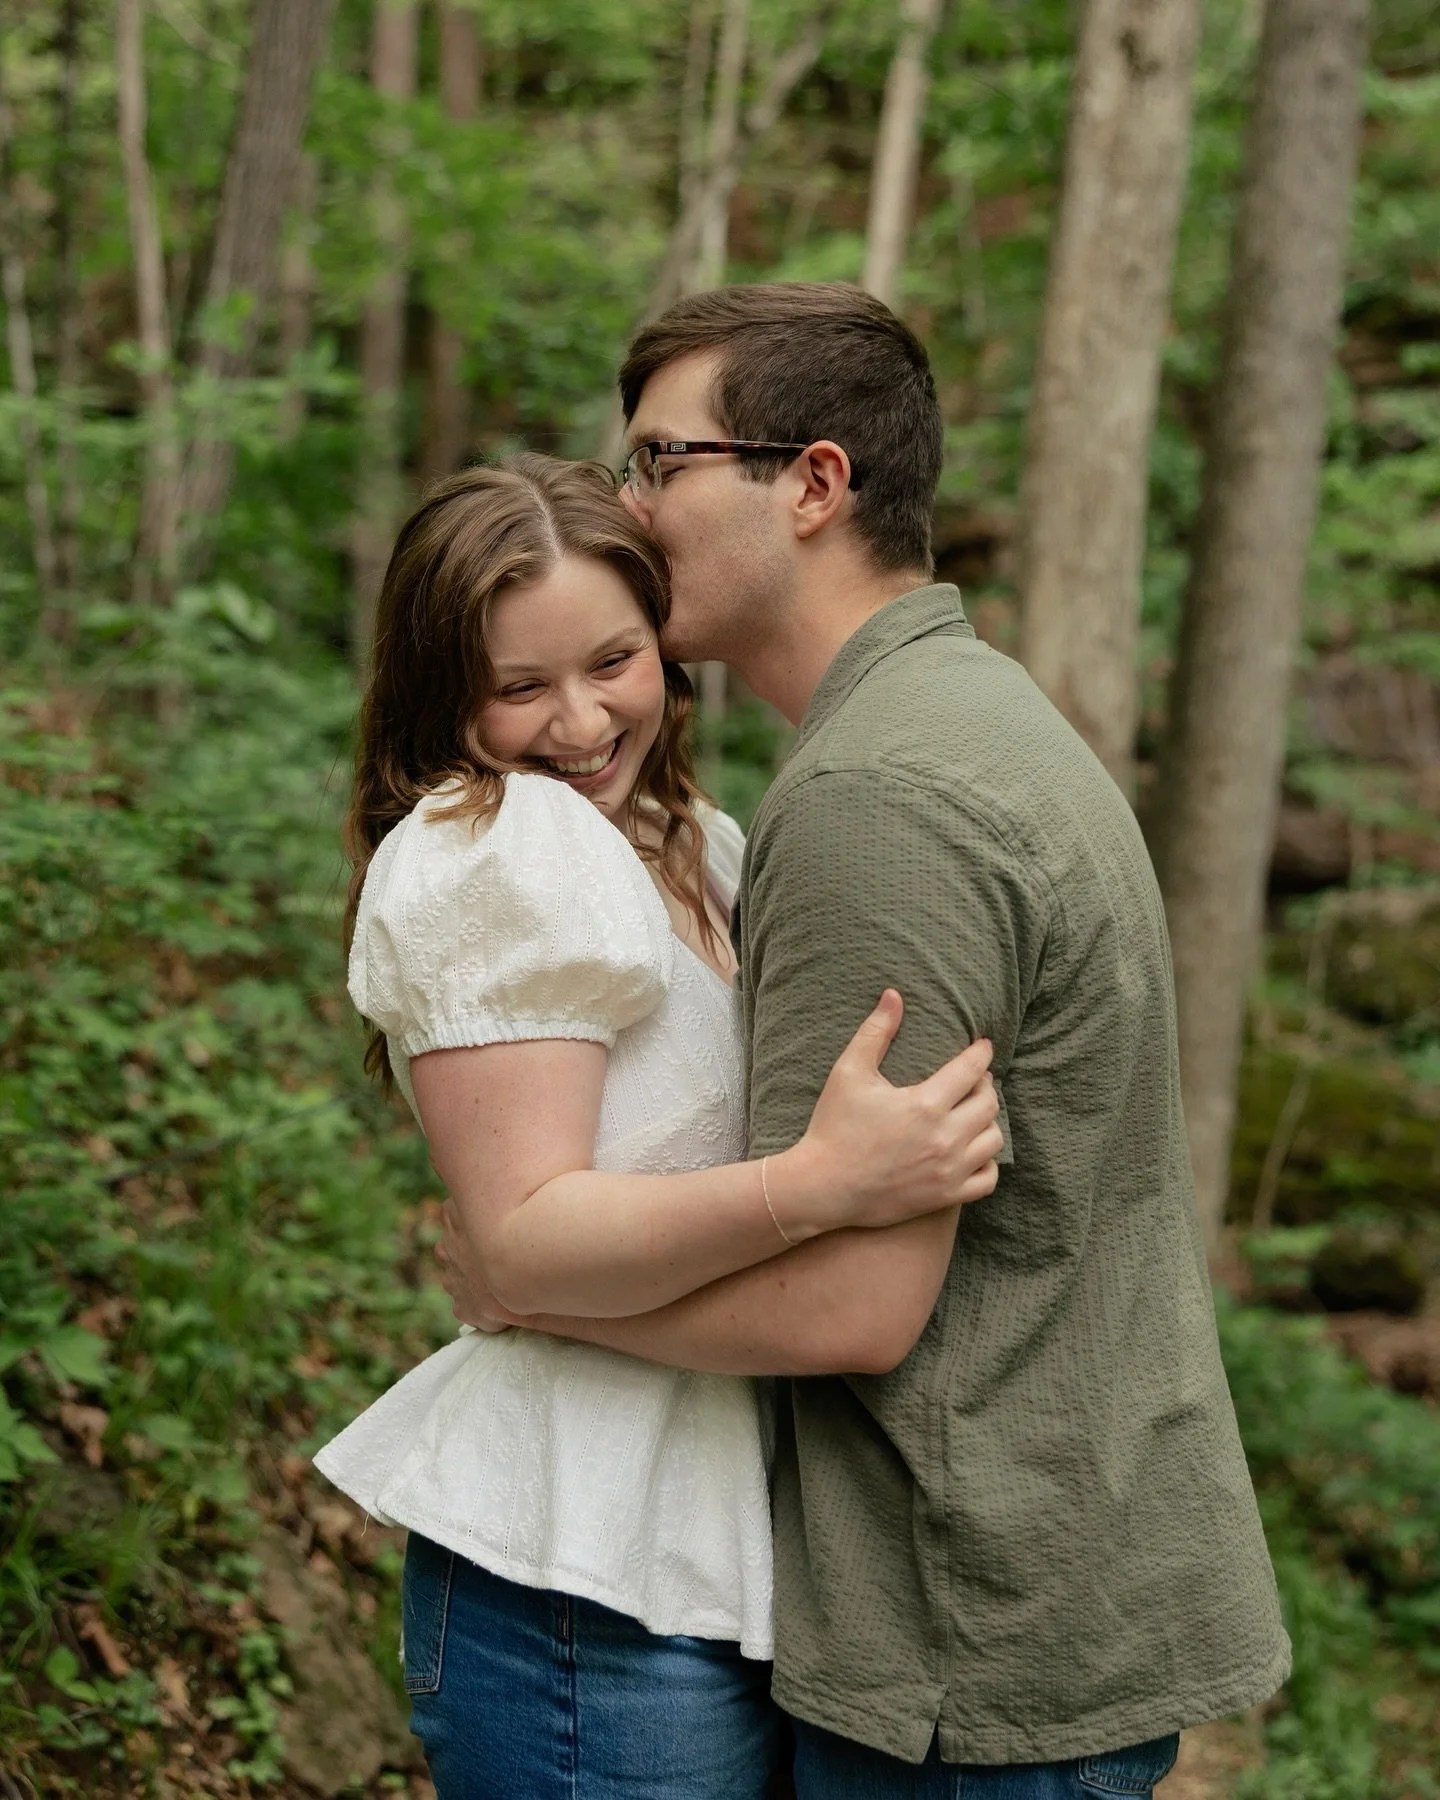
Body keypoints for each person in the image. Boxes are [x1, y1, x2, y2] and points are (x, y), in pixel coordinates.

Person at [439, 284, 1292, 1800]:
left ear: (814, 484)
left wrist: (541, 1297)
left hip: (976, 1632)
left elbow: (849, 1306)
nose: (627, 504)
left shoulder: (877, 798)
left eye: (660, 460)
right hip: (1045, 1583)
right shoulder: (970, 717)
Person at [315, 452, 1006, 1800]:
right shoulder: (501, 845)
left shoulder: (707, 841)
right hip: (580, 1572)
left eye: (613, 661)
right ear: (442, 692)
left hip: (716, 1546)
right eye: (520, 687)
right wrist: (819, 1186)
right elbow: (523, 1240)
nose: (579, 722)